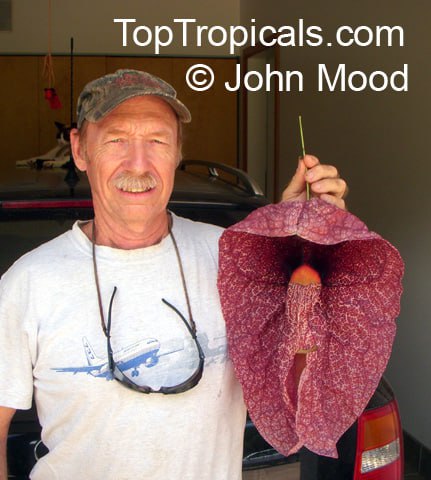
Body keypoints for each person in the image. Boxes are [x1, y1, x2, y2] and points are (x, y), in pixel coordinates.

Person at [0, 69, 347, 480]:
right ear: (79, 150)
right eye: (116, 139)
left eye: (157, 141)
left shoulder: (236, 258)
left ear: (178, 150)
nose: (139, 164)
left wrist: (302, 252)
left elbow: (302, 388)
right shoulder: (29, 282)